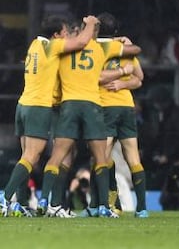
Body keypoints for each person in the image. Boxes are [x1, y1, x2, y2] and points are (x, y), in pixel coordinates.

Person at [36, 16, 141, 218]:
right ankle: (102, 206)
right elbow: (135, 51)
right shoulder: (101, 48)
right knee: (100, 157)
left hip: (66, 106)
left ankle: (47, 201)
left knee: (59, 156)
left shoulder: (61, 49)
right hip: (92, 106)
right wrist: (123, 52)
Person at [0, 14, 99, 217]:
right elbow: (81, 41)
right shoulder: (52, 47)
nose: (66, 37)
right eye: (63, 33)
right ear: (55, 35)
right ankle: (5, 197)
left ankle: (23, 203)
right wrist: (89, 24)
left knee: (27, 158)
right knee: (31, 156)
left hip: (23, 105)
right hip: (38, 107)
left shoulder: (35, 45)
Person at [83, 12, 148, 218]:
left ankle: (98, 205)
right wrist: (124, 83)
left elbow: (95, 77)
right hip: (127, 107)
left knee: (99, 158)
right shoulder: (126, 49)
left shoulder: (94, 49)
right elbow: (139, 78)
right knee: (133, 158)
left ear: (98, 29)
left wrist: (118, 79)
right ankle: (142, 209)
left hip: (106, 107)